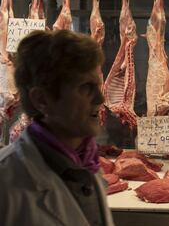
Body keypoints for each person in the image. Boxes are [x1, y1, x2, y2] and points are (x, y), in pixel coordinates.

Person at [0, 30, 114, 226]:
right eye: (86, 87)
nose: (100, 98)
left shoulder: (87, 167)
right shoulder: (5, 182)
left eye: (98, 86)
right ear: (42, 99)